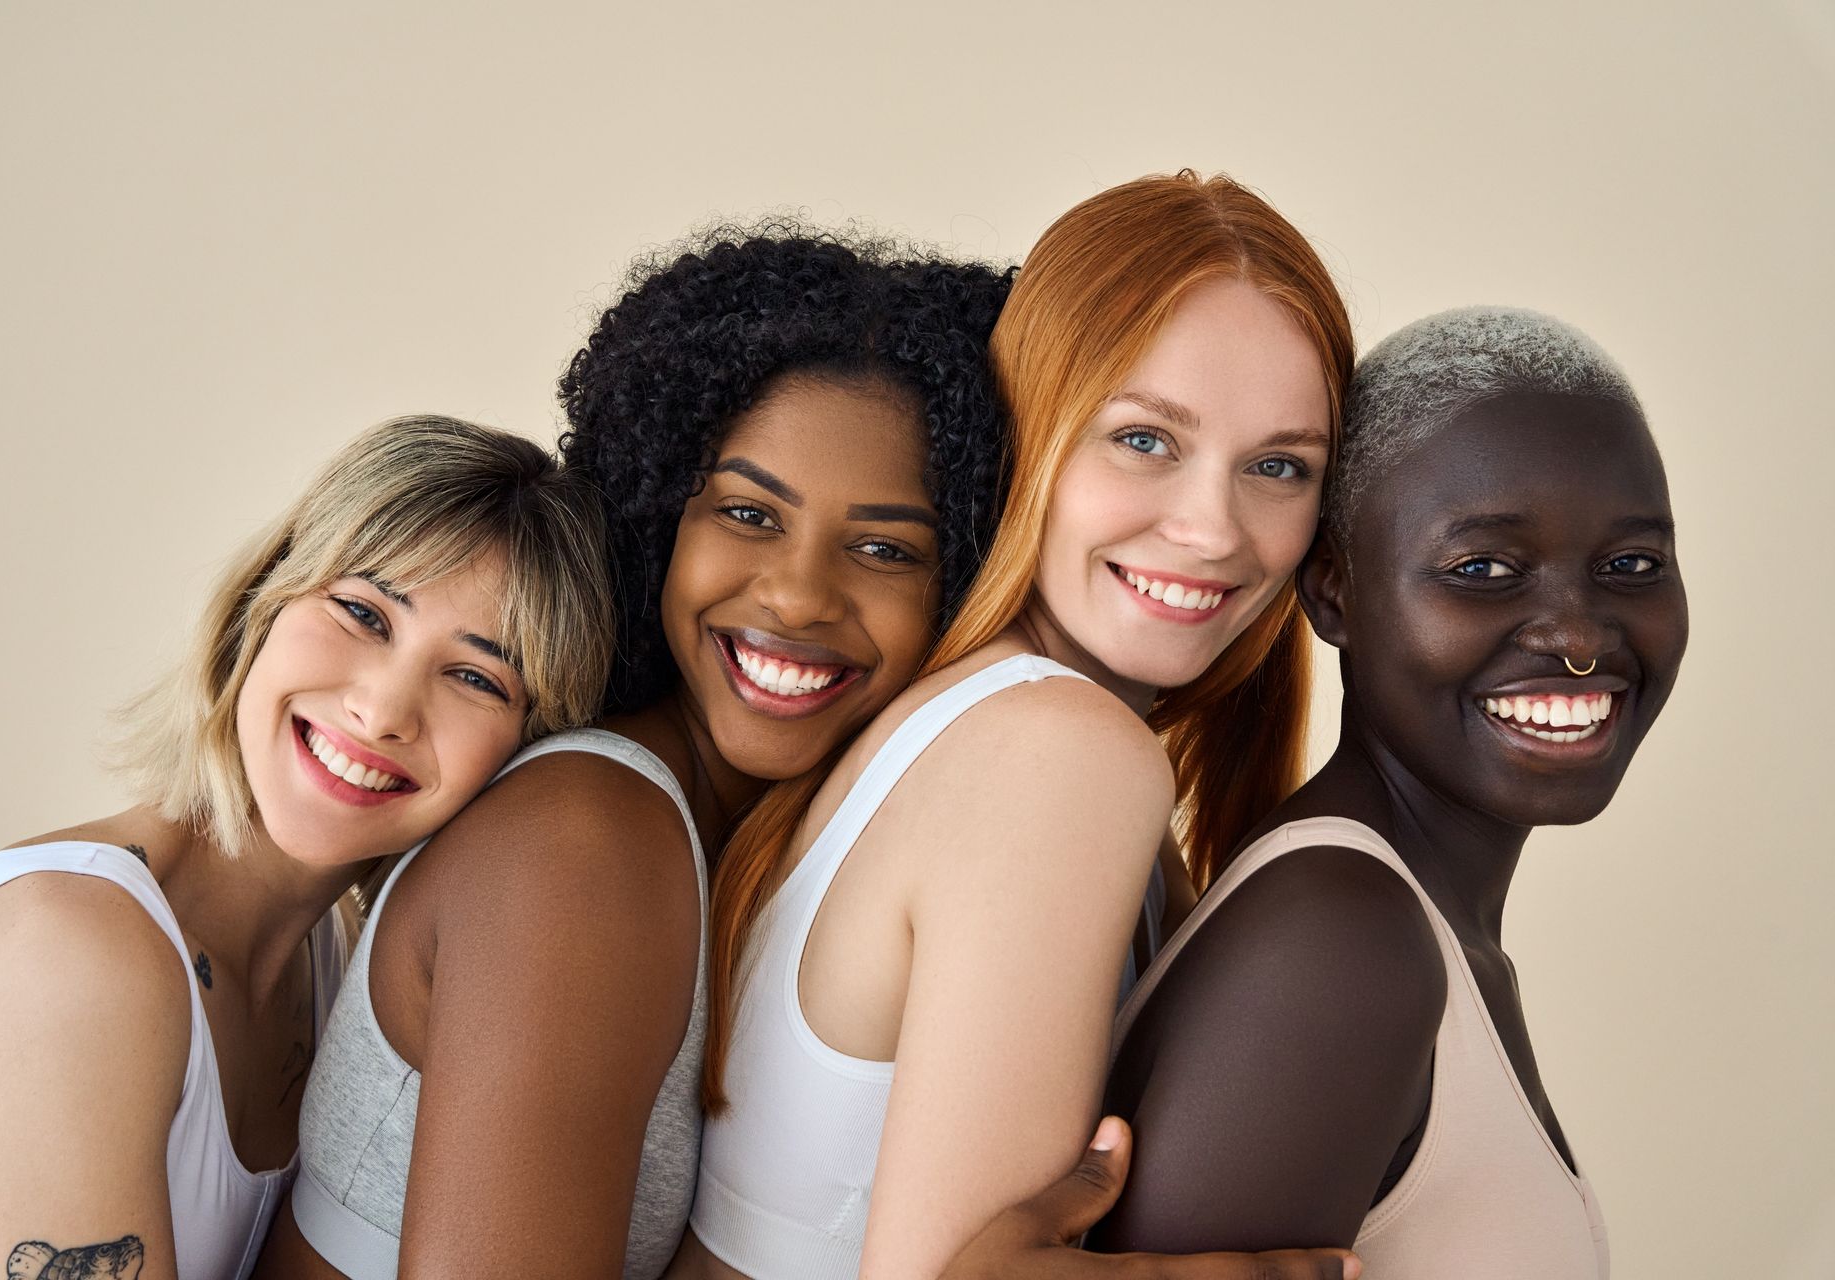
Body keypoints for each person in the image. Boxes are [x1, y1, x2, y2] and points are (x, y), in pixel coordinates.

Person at [253, 231, 1017, 1280]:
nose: (797, 593)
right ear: (660, 522)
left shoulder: (741, 847)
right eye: (747, 513)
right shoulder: (585, 843)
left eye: (887, 548)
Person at [676, 170, 1356, 1280]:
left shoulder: (990, 729)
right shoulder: (1057, 753)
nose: (1210, 527)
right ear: (1032, 429)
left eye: (1279, 466)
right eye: (1144, 439)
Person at [0, 415, 615, 1280]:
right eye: (363, 613)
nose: (384, 710)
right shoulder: (62, 949)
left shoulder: (339, 969)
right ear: (265, 599)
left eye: (476, 677)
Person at [1096, 307, 1686, 1278]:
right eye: (1483, 569)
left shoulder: (1415, 928)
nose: (1581, 635)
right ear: (1334, 590)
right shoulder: (1339, 943)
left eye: (1631, 565)